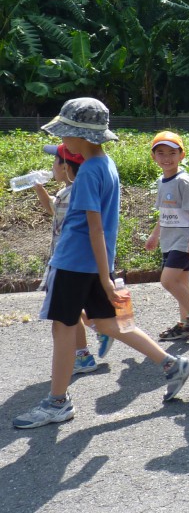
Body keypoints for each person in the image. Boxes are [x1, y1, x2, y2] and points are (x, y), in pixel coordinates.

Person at [14, 98, 189, 429]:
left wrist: (104, 277)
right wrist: (104, 272)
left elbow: (94, 227)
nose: (63, 141)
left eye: (65, 133)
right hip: (94, 264)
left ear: (81, 135)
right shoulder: (105, 164)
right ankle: (172, 364)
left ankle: (57, 402)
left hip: (74, 262)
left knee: (63, 327)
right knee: (109, 324)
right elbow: (101, 229)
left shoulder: (87, 173)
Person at [33, 143, 111, 372]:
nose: (52, 166)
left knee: (67, 313)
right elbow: (53, 210)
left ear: (66, 167)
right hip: (72, 260)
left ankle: (85, 351)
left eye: (55, 161)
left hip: (68, 261)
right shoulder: (66, 192)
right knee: (73, 309)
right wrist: (40, 190)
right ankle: (98, 330)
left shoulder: (73, 194)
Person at [144, 131, 189, 342]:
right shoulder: (162, 181)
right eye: (161, 153)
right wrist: (154, 235)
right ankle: (186, 325)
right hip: (169, 240)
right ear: (153, 156)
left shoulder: (183, 181)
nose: (166, 157)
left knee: (168, 280)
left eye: (172, 153)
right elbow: (165, 213)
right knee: (181, 283)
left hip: (185, 240)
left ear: (182, 155)